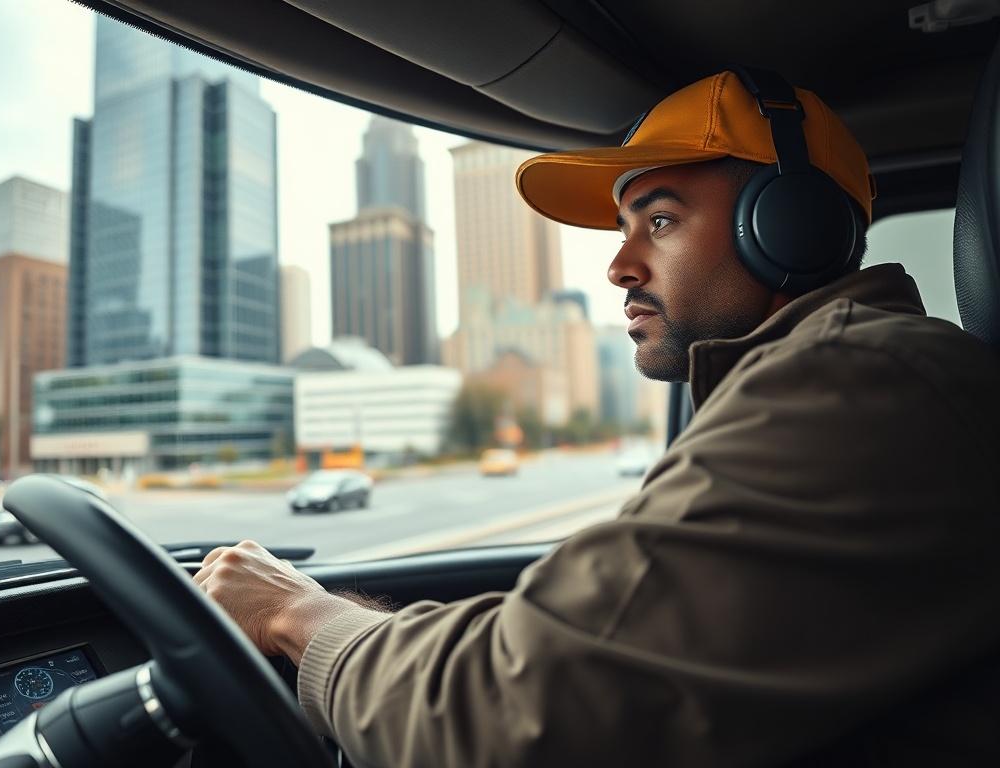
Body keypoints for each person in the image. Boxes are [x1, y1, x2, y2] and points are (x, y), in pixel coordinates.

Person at [193, 70, 1000, 766]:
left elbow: (511, 716)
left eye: (659, 220)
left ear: (791, 225)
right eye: (624, 228)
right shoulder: (840, 383)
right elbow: (584, 642)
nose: (618, 265)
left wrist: (294, 612)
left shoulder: (856, 386)